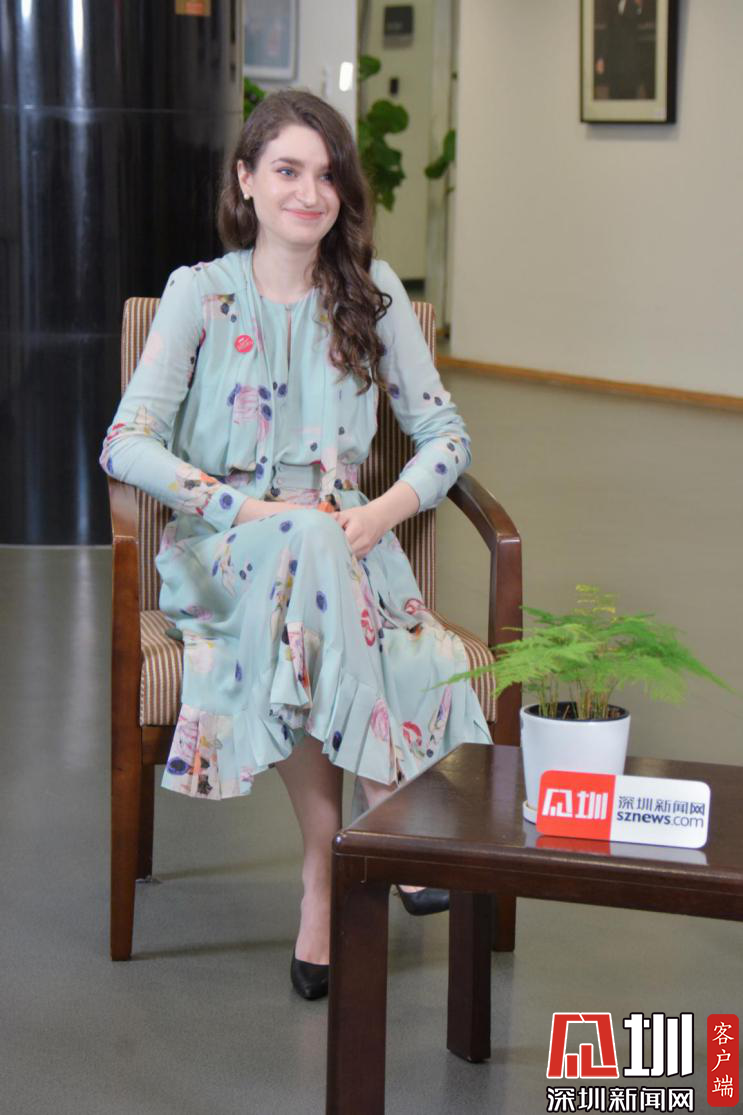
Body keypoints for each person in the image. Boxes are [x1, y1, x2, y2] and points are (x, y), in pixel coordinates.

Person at [100, 90, 492, 1000]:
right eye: (286, 170)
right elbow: (125, 442)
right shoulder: (200, 293)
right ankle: (384, 809)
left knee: (316, 554)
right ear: (245, 179)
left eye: (326, 175)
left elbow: (446, 436)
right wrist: (240, 508)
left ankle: (323, 872)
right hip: (224, 553)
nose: (308, 192)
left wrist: (382, 512)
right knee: (304, 541)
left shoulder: (372, 292)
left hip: (349, 551)